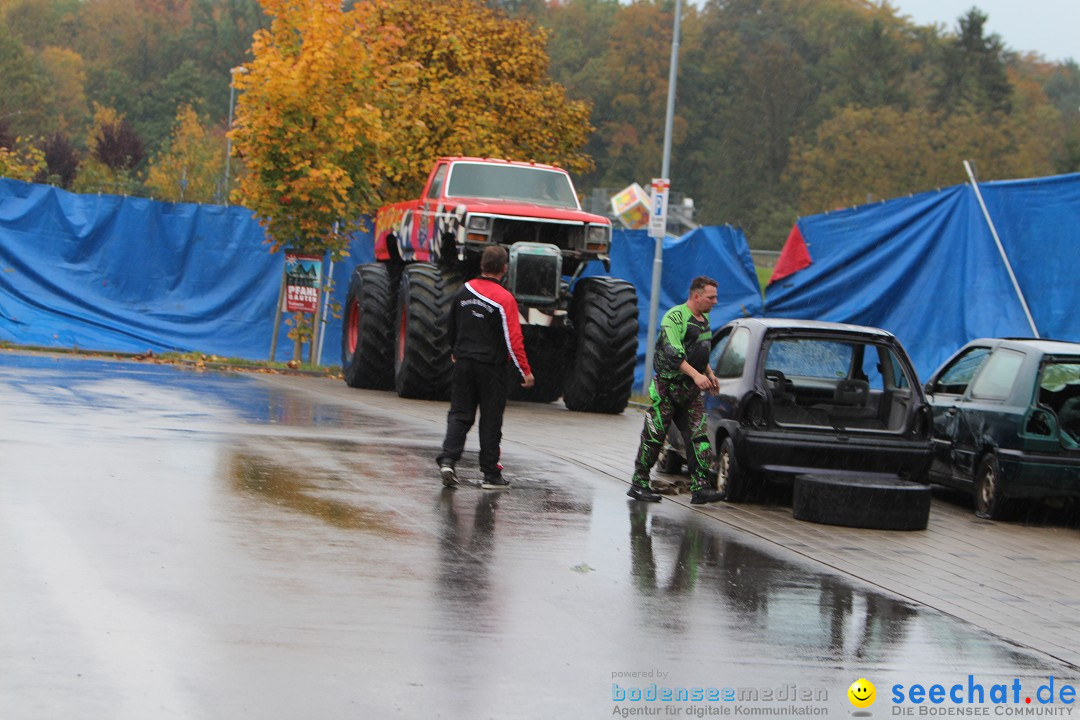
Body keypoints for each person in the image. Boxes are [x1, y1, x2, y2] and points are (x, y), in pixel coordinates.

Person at [437, 245, 535, 489]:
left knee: (460, 414)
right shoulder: (504, 299)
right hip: (491, 369)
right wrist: (526, 371)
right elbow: (514, 339)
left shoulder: (463, 291)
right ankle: (491, 474)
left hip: (463, 363)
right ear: (504, 268)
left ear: (482, 265)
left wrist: (455, 351)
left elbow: (451, 326)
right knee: (490, 421)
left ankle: (448, 459)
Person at [627, 276, 725, 505]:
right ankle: (639, 483)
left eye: (716, 297)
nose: (715, 302)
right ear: (696, 296)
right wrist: (696, 375)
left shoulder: (705, 318)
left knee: (699, 437)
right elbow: (673, 353)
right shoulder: (675, 317)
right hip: (668, 388)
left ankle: (700, 487)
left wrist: (709, 373)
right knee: (654, 436)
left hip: (691, 391)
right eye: (711, 297)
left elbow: (700, 349)